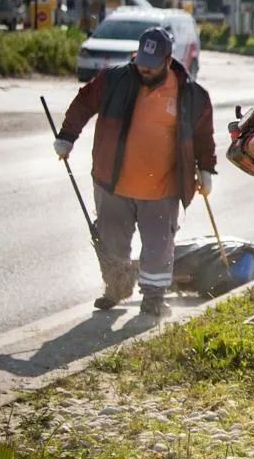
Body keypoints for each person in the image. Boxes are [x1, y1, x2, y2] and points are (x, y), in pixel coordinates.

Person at [53, 26, 216, 317]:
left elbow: (203, 136)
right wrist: (67, 136)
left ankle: (153, 297)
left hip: (163, 187)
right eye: (142, 61)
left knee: (158, 245)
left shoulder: (191, 94)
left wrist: (206, 170)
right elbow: (84, 102)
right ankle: (116, 288)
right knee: (111, 241)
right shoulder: (114, 79)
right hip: (113, 182)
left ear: (168, 61)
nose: (145, 69)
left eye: (152, 65)